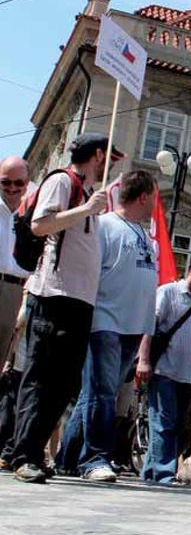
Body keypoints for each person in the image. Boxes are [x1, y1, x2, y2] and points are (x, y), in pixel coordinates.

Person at [8, 133, 114, 483]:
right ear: (97, 155)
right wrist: (86, 209)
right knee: (41, 376)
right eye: (109, 158)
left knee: (65, 382)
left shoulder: (86, 191)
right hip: (53, 294)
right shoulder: (62, 181)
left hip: (78, 299)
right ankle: (22, 454)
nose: (111, 165)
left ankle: (32, 450)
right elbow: (40, 224)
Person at [58, 169, 158, 481]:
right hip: (105, 320)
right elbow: (90, 272)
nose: (156, 203)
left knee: (97, 393)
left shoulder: (144, 233)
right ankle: (95, 459)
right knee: (102, 393)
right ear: (142, 197)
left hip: (132, 324)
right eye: (154, 197)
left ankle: (67, 457)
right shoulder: (104, 226)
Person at [138, 255, 191, 484]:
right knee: (163, 423)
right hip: (164, 370)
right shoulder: (168, 292)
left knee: (182, 429)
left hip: (187, 375)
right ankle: (163, 473)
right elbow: (149, 326)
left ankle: (151, 472)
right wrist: (144, 360)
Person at [0, 155, 32, 367]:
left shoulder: (34, 210)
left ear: (26, 183)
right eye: (5, 182)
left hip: (22, 292)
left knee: (8, 362)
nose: (12, 187)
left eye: (18, 183)